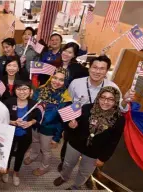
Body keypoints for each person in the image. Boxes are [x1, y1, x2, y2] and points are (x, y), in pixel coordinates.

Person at [60, 55, 135, 188]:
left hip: (99, 136)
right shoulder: (76, 83)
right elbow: (68, 102)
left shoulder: (113, 88)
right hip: (77, 130)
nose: (97, 71)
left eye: (102, 69)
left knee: (87, 167)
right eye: (95, 67)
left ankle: (81, 181)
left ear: (106, 71)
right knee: (67, 159)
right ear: (89, 68)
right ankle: (64, 175)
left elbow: (119, 111)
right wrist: (68, 124)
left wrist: (125, 101)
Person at [53, 86, 125, 190]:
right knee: (67, 164)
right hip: (75, 144)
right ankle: (64, 177)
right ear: (98, 97)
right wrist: (72, 126)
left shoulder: (119, 118)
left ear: (116, 100)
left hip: (94, 152)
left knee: (85, 172)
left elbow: (114, 141)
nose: (105, 102)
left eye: (110, 99)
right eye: (103, 97)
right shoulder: (87, 108)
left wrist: (103, 158)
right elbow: (73, 125)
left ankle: (76, 186)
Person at [24, 68, 71, 176]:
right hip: (35, 124)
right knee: (34, 142)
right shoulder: (40, 90)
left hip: (49, 129)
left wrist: (56, 138)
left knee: (46, 150)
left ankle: (45, 167)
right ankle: (33, 155)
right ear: (51, 77)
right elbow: (33, 107)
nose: (56, 81)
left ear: (65, 82)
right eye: (55, 78)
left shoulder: (66, 99)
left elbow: (62, 121)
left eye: (61, 80)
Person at [2, 80, 41, 186]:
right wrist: (12, 122)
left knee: (20, 154)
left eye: (25, 89)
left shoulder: (34, 104)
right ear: (15, 90)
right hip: (9, 134)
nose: (22, 92)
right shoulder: (9, 102)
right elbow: (1, 118)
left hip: (25, 135)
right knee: (8, 153)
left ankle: (16, 173)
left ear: (30, 91)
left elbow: (38, 118)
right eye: (19, 89)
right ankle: (6, 171)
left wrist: (30, 123)